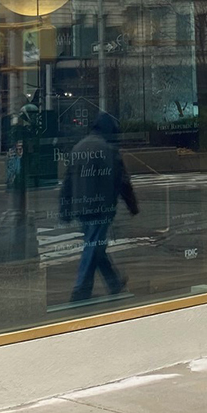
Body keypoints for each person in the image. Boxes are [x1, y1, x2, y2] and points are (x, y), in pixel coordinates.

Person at [59, 112, 138, 302]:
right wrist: (132, 205)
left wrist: (65, 208)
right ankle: (81, 289)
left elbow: (68, 182)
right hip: (101, 208)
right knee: (93, 246)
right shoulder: (109, 150)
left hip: (81, 207)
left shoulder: (78, 148)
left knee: (96, 246)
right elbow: (123, 182)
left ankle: (114, 283)